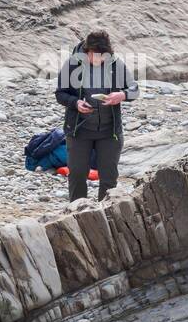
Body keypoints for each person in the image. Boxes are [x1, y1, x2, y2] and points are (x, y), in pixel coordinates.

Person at [55, 30, 136, 202]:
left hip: (109, 132)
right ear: (86, 51)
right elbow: (60, 93)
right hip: (79, 131)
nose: (99, 59)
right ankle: (76, 214)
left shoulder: (115, 65)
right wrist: (76, 103)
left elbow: (134, 90)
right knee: (77, 176)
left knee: (109, 179)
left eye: (103, 55)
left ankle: (106, 215)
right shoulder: (72, 65)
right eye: (95, 55)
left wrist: (122, 95)